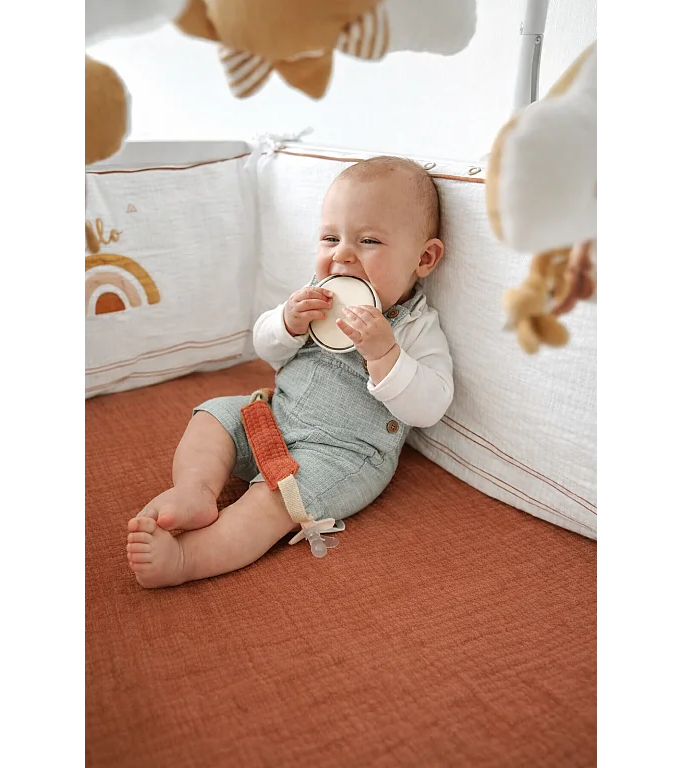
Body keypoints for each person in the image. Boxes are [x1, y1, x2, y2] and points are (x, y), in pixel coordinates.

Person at [126, 156, 454, 588]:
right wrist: (287, 321)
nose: (342, 255)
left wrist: (384, 353)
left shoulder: (416, 327)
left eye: (369, 241)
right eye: (330, 238)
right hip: (273, 417)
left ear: (424, 258)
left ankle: (188, 558)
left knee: (273, 501)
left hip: (339, 455)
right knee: (213, 416)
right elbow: (266, 347)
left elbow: (430, 406)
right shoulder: (316, 297)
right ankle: (195, 491)